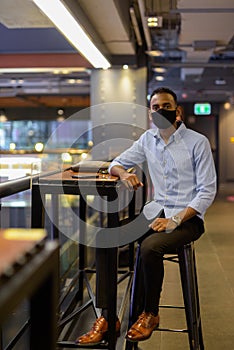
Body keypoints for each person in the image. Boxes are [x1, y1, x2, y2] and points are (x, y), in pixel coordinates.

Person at [76, 87, 217, 345]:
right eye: (155, 107)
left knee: (149, 247)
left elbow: (207, 192)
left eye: (166, 106)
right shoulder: (148, 140)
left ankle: (150, 313)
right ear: (150, 111)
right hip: (154, 212)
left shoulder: (198, 142)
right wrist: (124, 173)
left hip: (188, 219)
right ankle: (108, 316)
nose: (160, 111)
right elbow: (115, 163)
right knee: (103, 237)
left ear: (178, 111)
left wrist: (174, 221)